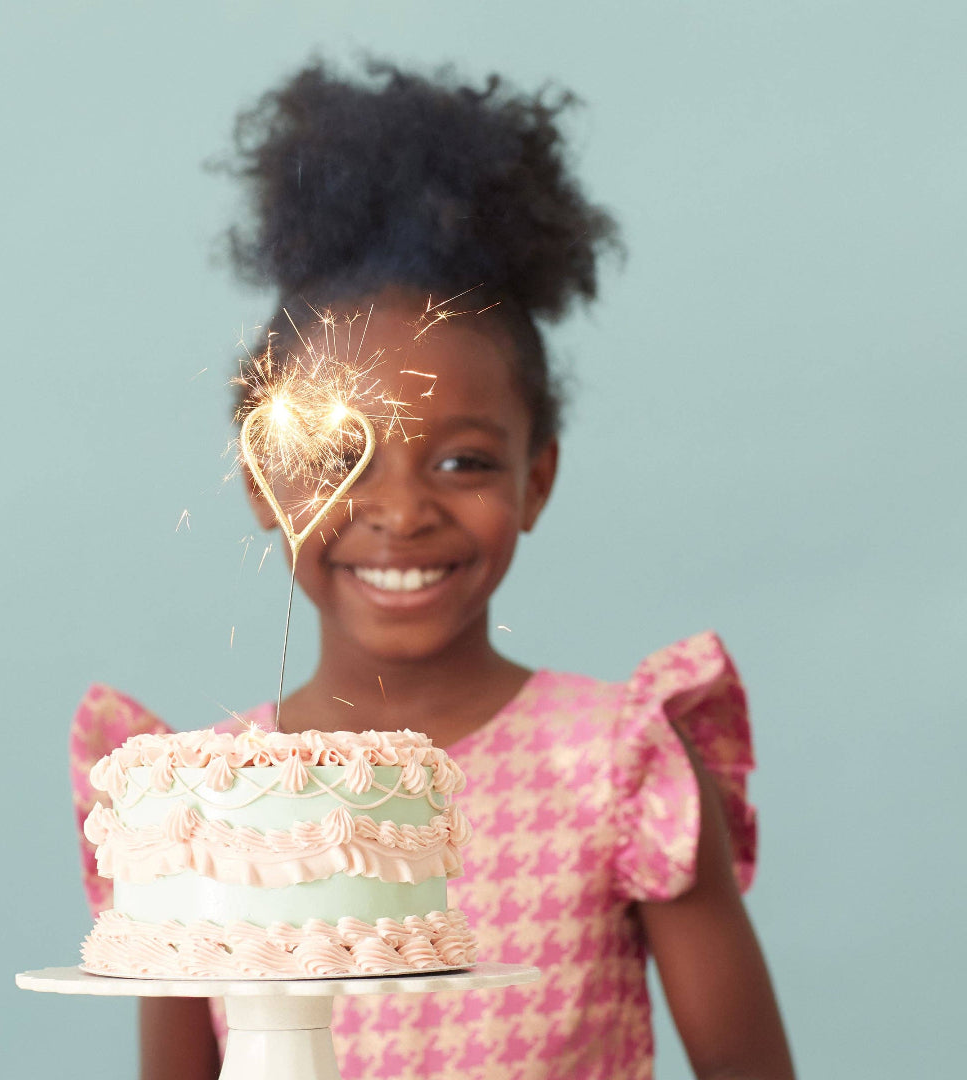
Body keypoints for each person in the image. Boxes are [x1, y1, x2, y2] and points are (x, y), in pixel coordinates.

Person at [70, 60, 794, 1080]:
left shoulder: (619, 766)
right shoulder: (209, 810)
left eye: (463, 460)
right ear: (260, 483)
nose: (402, 512)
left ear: (537, 477)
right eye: (338, 459)